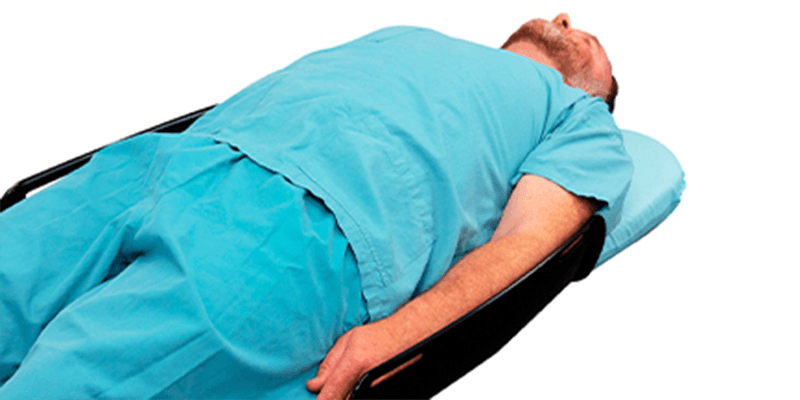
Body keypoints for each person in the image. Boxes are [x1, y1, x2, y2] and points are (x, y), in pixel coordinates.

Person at [0, 13, 632, 400]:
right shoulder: (410, 34)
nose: (567, 16)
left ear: (600, 93)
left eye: (592, 43)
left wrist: (392, 339)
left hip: (296, 232)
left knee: (73, 385)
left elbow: (524, 247)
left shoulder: (579, 119)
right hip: (167, 160)